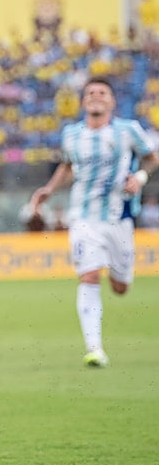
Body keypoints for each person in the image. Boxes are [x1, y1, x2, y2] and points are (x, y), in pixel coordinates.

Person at [30, 76, 159, 368]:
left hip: (119, 218)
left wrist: (139, 177)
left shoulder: (128, 130)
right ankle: (94, 349)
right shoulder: (72, 134)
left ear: (112, 101)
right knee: (88, 276)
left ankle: (120, 278)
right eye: (90, 93)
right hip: (84, 217)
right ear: (83, 101)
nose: (95, 96)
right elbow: (67, 165)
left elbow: (152, 158)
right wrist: (49, 189)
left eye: (102, 92)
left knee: (120, 286)